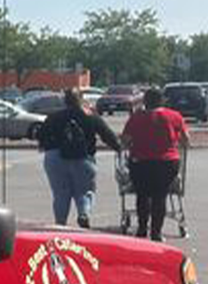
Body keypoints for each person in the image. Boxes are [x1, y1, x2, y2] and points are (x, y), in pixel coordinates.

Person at [37, 88, 121, 228]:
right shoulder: (91, 116)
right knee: (84, 192)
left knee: (60, 193)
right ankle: (84, 214)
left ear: (65, 100)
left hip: (55, 158)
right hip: (83, 157)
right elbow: (108, 136)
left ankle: (60, 224)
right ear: (81, 100)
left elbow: (40, 136)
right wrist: (118, 148)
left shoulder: (54, 116)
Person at [122, 88, 189, 241]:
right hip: (167, 163)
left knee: (142, 195)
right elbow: (186, 140)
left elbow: (125, 141)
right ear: (162, 100)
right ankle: (156, 232)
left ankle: (142, 229)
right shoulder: (174, 116)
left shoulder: (136, 118)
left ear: (145, 101)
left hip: (141, 163)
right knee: (160, 195)